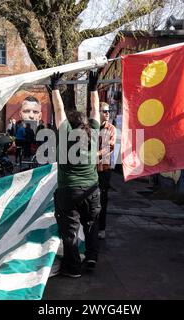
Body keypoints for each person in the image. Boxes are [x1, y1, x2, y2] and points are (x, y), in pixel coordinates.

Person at [51, 70, 101, 278]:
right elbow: (96, 110)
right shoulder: (95, 134)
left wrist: (54, 88)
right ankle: (91, 259)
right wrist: (93, 88)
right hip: (92, 190)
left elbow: (59, 109)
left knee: (70, 232)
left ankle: (73, 269)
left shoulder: (66, 135)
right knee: (91, 225)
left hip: (69, 191)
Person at [97, 102, 116, 240]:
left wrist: (96, 154)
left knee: (103, 199)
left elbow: (111, 146)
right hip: (90, 170)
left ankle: (101, 228)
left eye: (108, 111)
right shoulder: (90, 127)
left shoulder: (111, 128)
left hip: (104, 169)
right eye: (104, 111)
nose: (108, 113)